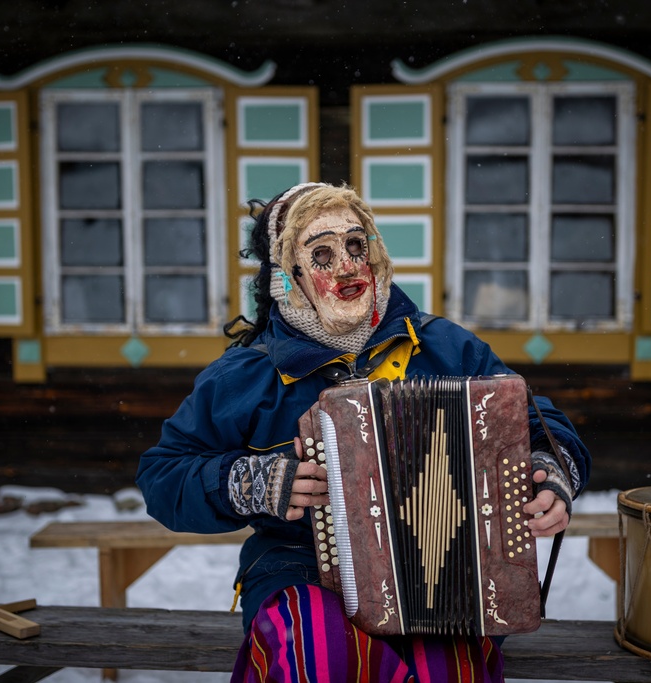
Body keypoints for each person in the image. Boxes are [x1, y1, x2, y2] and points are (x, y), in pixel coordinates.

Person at [136, 182, 590, 682]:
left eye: (357, 244)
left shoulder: (446, 348)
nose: (348, 265)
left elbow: (540, 425)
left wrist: (551, 472)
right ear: (288, 277)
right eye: (322, 254)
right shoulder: (246, 375)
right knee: (318, 656)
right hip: (301, 568)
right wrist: (250, 482)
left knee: (445, 671)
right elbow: (162, 475)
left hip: (449, 575)